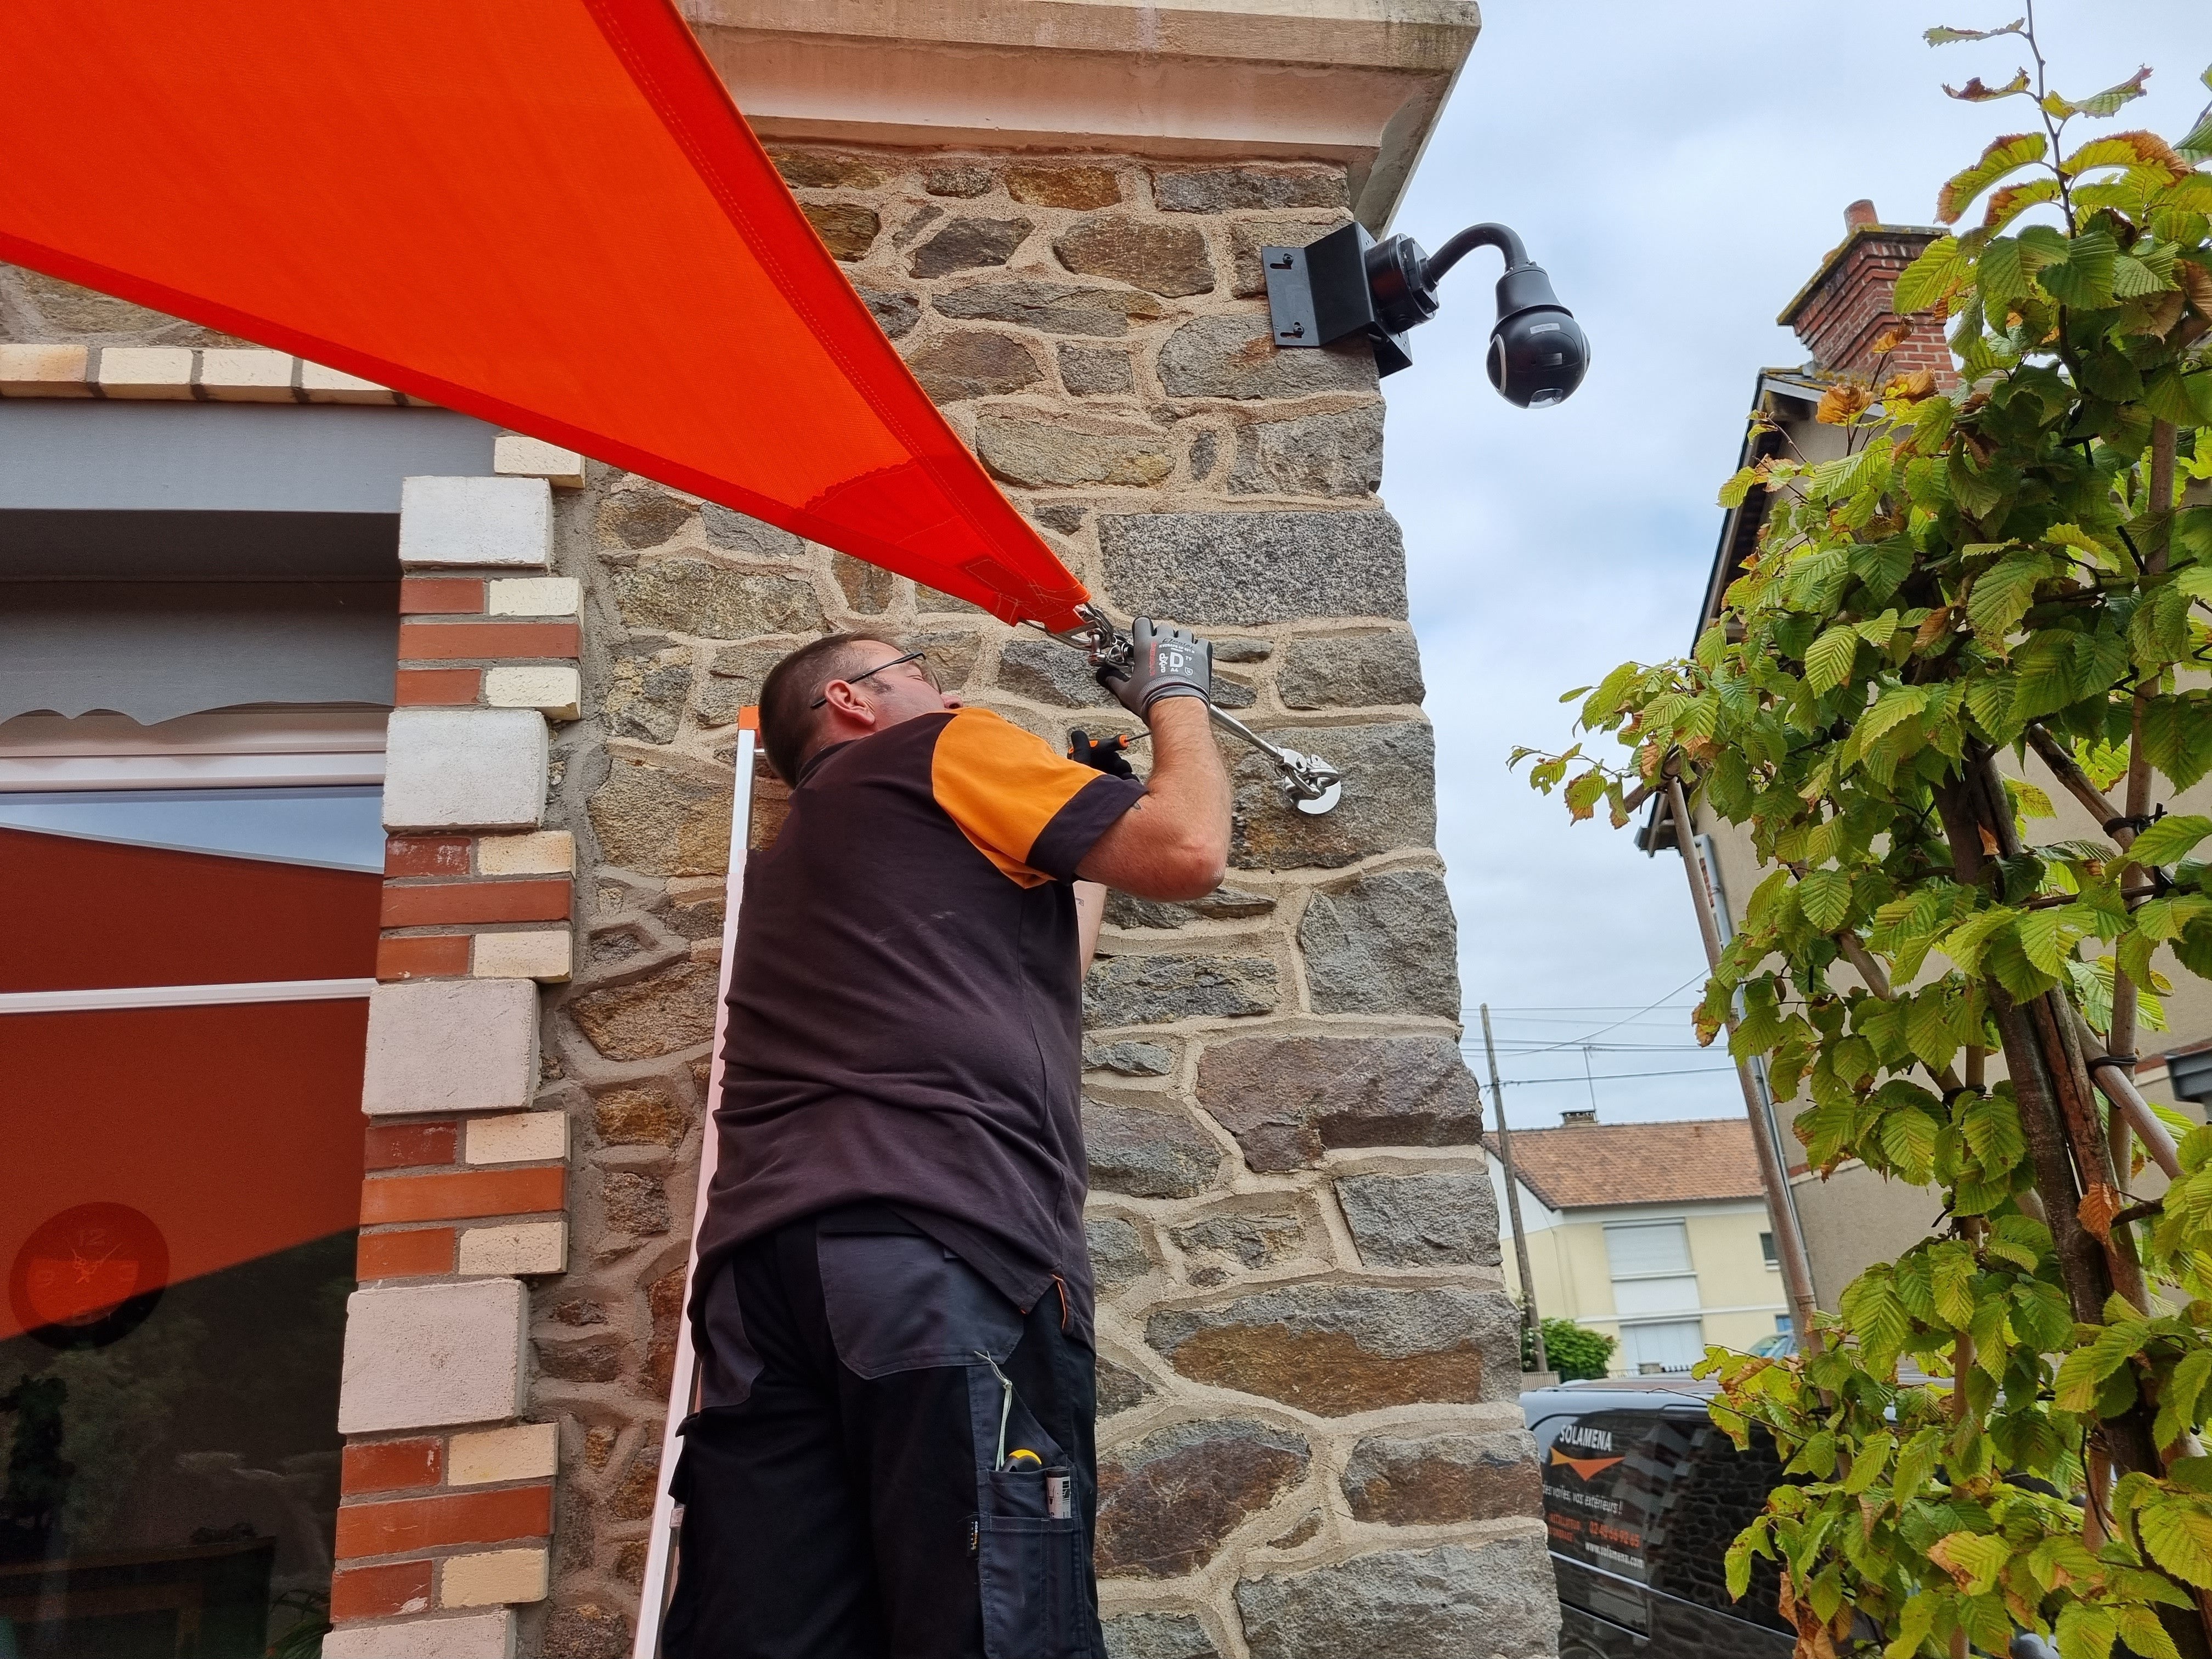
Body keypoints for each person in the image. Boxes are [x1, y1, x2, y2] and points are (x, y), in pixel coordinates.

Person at [664, 620, 1231, 1659]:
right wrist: (1174, 697)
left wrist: (1074, 815)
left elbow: (1049, 959)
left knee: (774, 1629)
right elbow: (1188, 847)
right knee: (996, 1624)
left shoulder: (806, 859)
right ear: (852, 700)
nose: (951, 693)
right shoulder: (943, 749)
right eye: (920, 674)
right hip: (935, 1250)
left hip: (761, 1287)